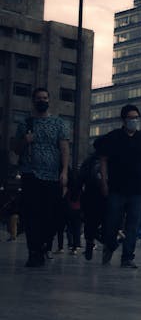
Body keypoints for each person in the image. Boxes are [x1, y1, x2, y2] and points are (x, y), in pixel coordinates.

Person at [14, 88, 69, 267]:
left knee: (51, 215)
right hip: (31, 174)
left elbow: (64, 148)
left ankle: (45, 243)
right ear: (33, 101)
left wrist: (65, 171)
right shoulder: (25, 123)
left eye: (45, 98)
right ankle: (34, 251)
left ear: (49, 100)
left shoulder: (59, 123)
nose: (42, 100)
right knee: (31, 215)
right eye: (39, 98)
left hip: (52, 176)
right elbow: (16, 149)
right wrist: (25, 140)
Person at [95, 104, 141, 269]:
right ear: (124, 119)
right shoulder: (113, 137)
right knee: (112, 223)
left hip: (137, 190)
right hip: (117, 188)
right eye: (131, 118)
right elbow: (103, 159)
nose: (134, 121)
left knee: (133, 225)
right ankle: (110, 244)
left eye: (136, 117)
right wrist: (104, 181)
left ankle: (127, 257)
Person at [79, 151, 106, 260]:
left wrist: (76, 191)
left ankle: (90, 242)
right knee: (102, 221)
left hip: (89, 196)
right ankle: (99, 238)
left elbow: (80, 178)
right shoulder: (108, 161)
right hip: (103, 196)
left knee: (89, 222)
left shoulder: (88, 162)